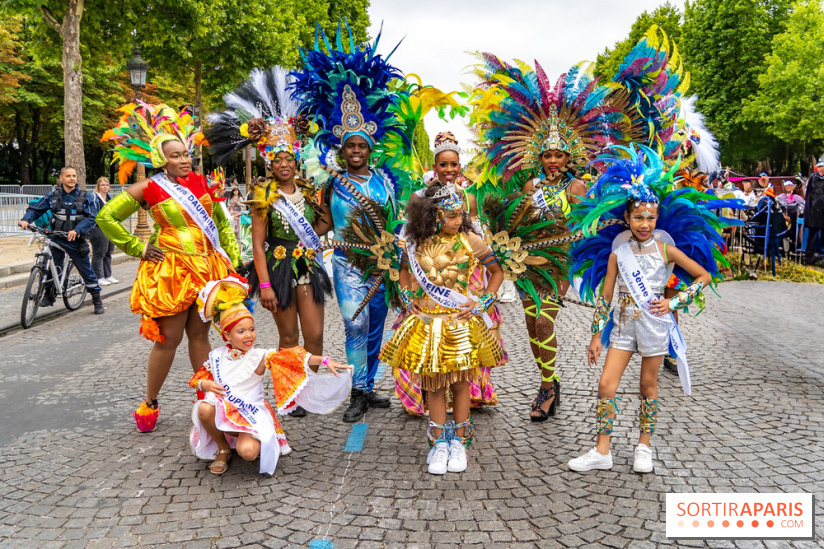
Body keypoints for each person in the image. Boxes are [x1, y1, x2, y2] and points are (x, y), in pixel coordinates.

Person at [468, 55, 632, 422]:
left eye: (558, 155)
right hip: (528, 265)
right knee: (532, 326)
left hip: (558, 265)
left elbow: (591, 225)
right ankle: (549, 380)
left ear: (568, 156)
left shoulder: (577, 188)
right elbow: (518, 220)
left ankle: (547, 388)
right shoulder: (531, 186)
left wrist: (586, 233)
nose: (553, 161)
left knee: (544, 322)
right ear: (539, 157)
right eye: (548, 155)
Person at [567, 148, 733, 474]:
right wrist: (595, 335)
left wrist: (674, 303)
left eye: (650, 217)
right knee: (606, 385)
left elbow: (704, 276)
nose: (645, 224)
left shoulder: (666, 249)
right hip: (622, 325)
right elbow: (606, 296)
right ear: (627, 218)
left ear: (658, 218)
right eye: (638, 217)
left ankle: (644, 446)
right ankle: (602, 450)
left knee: (648, 386)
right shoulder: (617, 254)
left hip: (655, 324)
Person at [98, 102, 241, 433]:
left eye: (186, 153)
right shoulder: (150, 187)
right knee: (169, 339)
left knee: (200, 334)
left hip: (207, 268)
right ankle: (150, 402)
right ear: (162, 160)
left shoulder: (203, 184)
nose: (184, 159)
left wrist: (232, 262)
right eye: (175, 156)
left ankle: (207, 400)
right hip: (172, 269)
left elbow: (221, 225)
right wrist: (138, 247)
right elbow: (106, 217)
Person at [291, 24, 406, 422]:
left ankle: (368, 386)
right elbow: (323, 223)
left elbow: (397, 222)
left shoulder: (386, 181)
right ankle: (356, 391)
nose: (356, 151)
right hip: (347, 263)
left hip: (382, 263)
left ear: (370, 149)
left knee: (376, 326)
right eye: (350, 146)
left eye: (361, 146)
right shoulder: (331, 183)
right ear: (341, 150)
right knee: (355, 323)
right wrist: (300, 238)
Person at [206, 67, 334, 418]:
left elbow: (322, 226)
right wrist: (264, 285)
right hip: (277, 269)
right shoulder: (262, 194)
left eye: (288, 158)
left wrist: (329, 196)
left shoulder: (308, 190)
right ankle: (292, 395)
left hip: (307, 266)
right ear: (269, 161)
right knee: (288, 337)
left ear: (296, 159)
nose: (284, 164)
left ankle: (309, 389)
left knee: (315, 336)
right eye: (277, 159)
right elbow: (259, 245)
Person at [381, 184, 505, 474]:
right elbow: (403, 271)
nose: (458, 220)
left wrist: (482, 302)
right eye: (451, 215)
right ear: (435, 216)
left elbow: (497, 272)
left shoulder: (470, 240)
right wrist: (407, 297)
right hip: (427, 323)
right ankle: (438, 443)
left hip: (460, 324)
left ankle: (460, 442)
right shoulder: (415, 243)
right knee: (434, 386)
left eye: (460, 215)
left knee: (461, 384)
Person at [189, 276, 351, 475]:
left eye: (251, 329)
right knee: (204, 408)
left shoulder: (259, 356)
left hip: (250, 413)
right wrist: (205, 384)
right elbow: (197, 378)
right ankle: (223, 448)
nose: (248, 335)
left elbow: (292, 357)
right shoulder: (217, 356)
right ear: (227, 335)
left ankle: (247, 437)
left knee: (248, 453)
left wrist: (324, 360)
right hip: (224, 410)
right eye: (241, 331)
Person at [394, 132, 503, 415]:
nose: (449, 169)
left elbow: (482, 251)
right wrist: (408, 295)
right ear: (435, 165)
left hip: (465, 282)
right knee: (429, 363)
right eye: (443, 164)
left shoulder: (469, 203)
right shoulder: (419, 206)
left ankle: (466, 410)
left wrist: (482, 299)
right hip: (428, 289)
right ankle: (431, 412)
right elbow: (407, 261)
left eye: (454, 164)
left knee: (464, 363)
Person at [19, 167, 104, 314]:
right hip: (56, 238)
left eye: (74, 176)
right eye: (68, 176)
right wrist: (26, 220)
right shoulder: (53, 196)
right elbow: (35, 209)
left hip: (76, 240)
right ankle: (49, 295)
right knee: (52, 267)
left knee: (86, 271)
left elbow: (92, 218)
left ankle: (97, 300)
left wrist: (77, 230)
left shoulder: (86, 197)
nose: (72, 178)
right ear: (61, 178)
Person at [88, 177, 118, 286]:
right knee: (100, 252)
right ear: (98, 186)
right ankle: (98, 276)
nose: (105, 187)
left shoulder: (110, 198)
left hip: (108, 227)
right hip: (97, 227)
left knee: (109, 251)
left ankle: (107, 275)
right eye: (102, 185)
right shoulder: (94, 197)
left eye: (107, 185)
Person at [804, 162, 824, 265]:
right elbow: (810, 196)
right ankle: (810, 256)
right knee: (813, 235)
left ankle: (818, 255)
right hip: (814, 212)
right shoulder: (814, 178)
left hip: (820, 211)